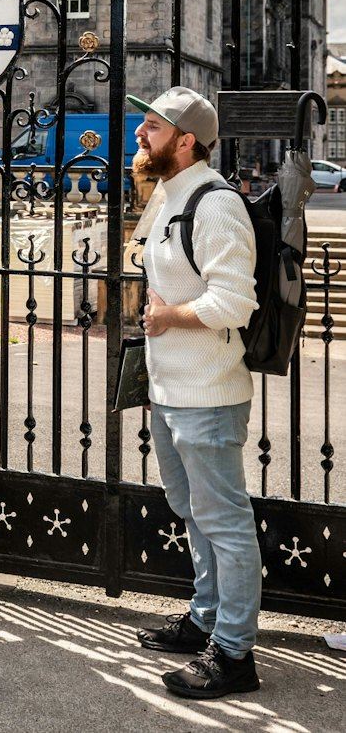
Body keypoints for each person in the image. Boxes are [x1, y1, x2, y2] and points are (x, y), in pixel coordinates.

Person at [127, 86, 263, 701]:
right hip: (171, 386)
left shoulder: (215, 204)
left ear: (185, 140)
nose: (138, 135)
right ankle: (205, 619)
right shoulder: (170, 196)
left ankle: (234, 654)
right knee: (194, 511)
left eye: (150, 127)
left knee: (225, 522)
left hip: (208, 390)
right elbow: (147, 259)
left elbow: (234, 300)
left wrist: (168, 320)